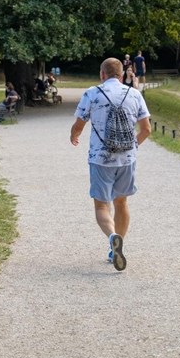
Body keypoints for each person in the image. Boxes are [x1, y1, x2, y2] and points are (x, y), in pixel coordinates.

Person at [69, 58, 151, 271]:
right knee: (121, 203)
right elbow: (146, 130)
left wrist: (74, 136)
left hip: (100, 158)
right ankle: (117, 246)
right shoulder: (134, 94)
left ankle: (113, 237)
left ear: (102, 74)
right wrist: (132, 147)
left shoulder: (92, 93)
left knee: (101, 205)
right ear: (122, 75)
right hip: (127, 159)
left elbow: (79, 124)